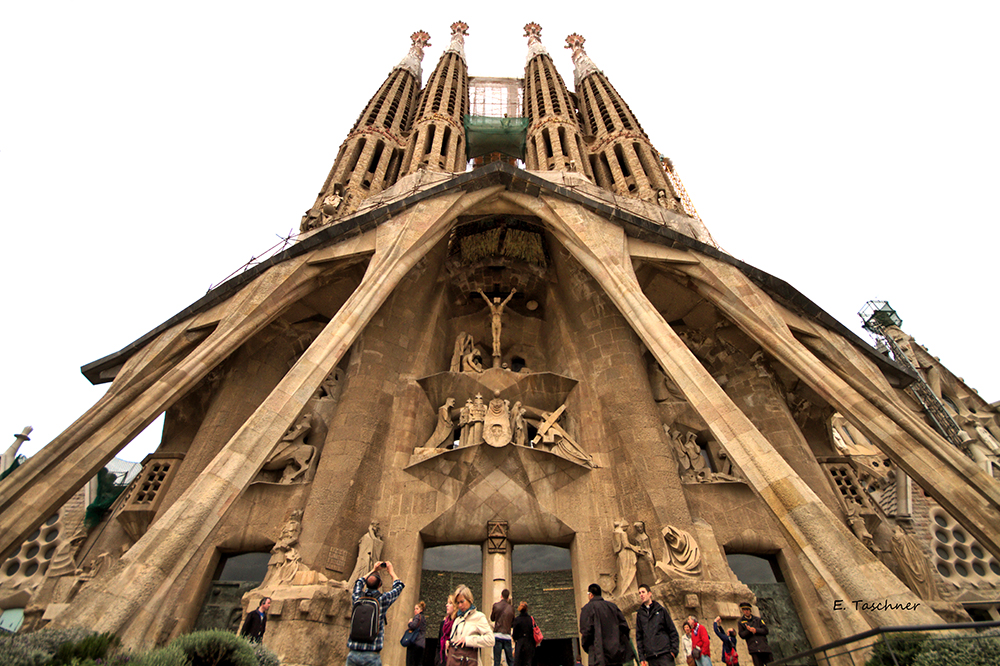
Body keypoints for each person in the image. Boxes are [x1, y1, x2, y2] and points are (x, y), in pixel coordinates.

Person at [346, 561, 405, 666]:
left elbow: (359, 582)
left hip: (353, 653)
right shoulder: (382, 600)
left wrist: (373, 570)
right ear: (380, 585)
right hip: (372, 654)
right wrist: (391, 571)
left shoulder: (357, 598)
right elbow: (399, 586)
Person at [579, 583, 633, 666]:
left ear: (590, 595)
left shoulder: (587, 609)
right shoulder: (613, 607)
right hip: (615, 654)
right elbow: (624, 627)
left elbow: (586, 632)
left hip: (597, 655)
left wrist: (589, 648)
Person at [448, 584, 495, 664]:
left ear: (470, 599)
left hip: (471, 661)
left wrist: (468, 640)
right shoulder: (457, 619)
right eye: (458, 602)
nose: (460, 605)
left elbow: (491, 640)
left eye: (462, 601)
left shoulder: (479, 617)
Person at [635, 584, 678, 666]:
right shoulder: (640, 615)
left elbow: (672, 630)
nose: (641, 595)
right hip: (651, 657)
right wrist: (641, 657)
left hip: (665, 654)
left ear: (649, 593)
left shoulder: (661, 610)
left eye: (643, 592)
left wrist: (673, 651)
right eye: (639, 593)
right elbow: (639, 637)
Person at [491, 589, 515, 666]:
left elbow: (492, 618)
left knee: (497, 661)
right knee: (510, 661)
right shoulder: (511, 608)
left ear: (501, 596)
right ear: (508, 598)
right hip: (507, 636)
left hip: (497, 635)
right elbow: (512, 623)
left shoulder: (496, 606)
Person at [510, 601, 535, 666]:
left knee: (518, 662)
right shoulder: (530, 619)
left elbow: (514, 634)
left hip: (520, 643)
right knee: (528, 662)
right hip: (529, 643)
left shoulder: (517, 619)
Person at [405, 601, 427, 666]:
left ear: (421, 610)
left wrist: (409, 623)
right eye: (415, 609)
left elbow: (413, 625)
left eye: (417, 609)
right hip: (421, 643)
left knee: (411, 662)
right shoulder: (424, 618)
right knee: (419, 662)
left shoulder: (418, 616)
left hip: (415, 642)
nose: (415, 610)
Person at [439, 595, 458, 666]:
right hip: (442, 659)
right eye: (447, 603)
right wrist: (438, 660)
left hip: (453, 659)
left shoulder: (457, 623)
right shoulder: (444, 623)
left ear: (455, 606)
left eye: (450, 603)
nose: (447, 605)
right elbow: (439, 643)